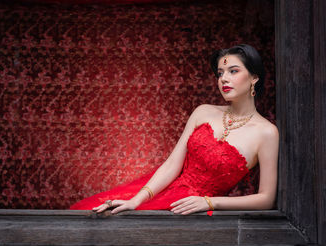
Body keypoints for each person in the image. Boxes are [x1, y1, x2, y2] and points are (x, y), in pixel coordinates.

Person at [70, 44, 279, 215]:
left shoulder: (266, 133)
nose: (223, 78)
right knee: (99, 216)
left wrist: (210, 202)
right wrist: (136, 200)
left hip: (194, 211)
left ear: (254, 77)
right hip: (159, 192)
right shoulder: (203, 112)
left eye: (233, 71)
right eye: (220, 73)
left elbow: (266, 199)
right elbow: (172, 164)